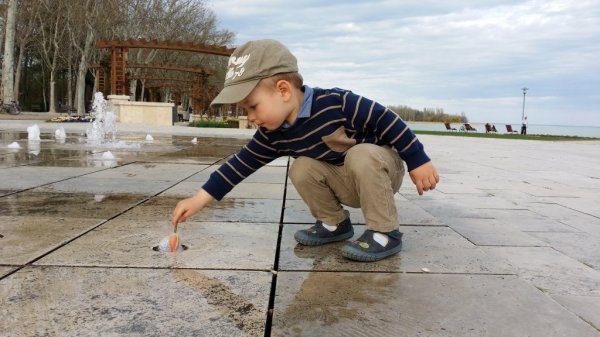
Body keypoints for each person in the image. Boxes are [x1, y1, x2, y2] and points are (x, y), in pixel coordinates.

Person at [171, 39, 439, 262]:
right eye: (245, 111)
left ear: (283, 90)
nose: (251, 116)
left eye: (253, 106)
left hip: (380, 173)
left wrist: (418, 160)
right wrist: (198, 200)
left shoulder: (337, 103)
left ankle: (385, 232)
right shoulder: (272, 135)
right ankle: (334, 224)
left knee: (361, 154)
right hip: (344, 181)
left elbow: (387, 120)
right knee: (301, 166)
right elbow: (238, 166)